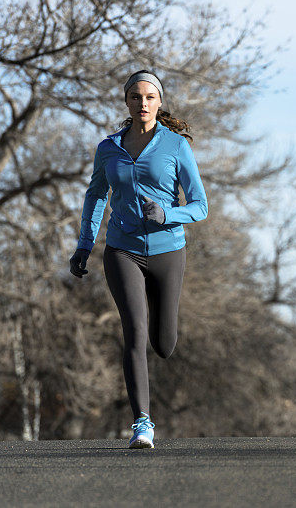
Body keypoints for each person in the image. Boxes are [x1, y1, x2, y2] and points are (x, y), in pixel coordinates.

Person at [69, 70, 208, 448]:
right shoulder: (108, 148)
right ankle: (142, 423)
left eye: (149, 97)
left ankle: (161, 330)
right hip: (122, 250)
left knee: (163, 343)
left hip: (167, 250)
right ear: (127, 102)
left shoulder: (176, 146)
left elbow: (200, 206)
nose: (142, 103)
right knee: (133, 330)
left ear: (159, 103)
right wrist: (84, 244)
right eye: (135, 97)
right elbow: (96, 195)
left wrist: (168, 213)